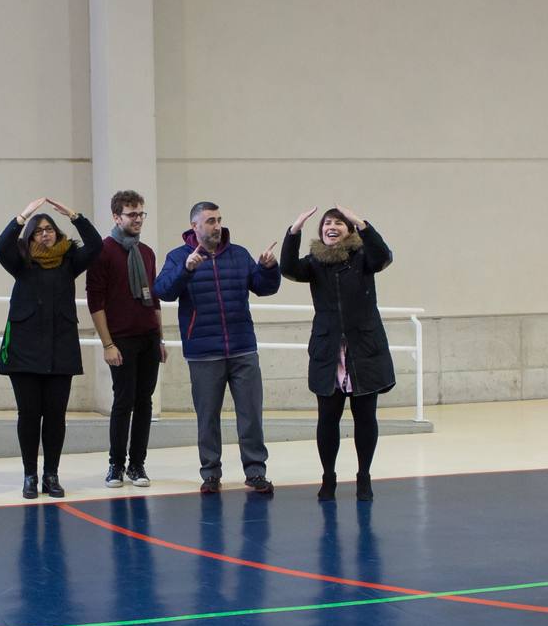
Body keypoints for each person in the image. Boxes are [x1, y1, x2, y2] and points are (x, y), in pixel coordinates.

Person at [153, 202, 281, 495]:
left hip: (242, 348)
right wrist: (185, 271)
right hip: (203, 351)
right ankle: (210, 473)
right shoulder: (178, 257)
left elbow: (263, 287)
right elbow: (163, 291)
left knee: (251, 414)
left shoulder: (238, 255)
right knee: (207, 416)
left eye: (219, 219)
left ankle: (255, 471)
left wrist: (269, 268)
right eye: (210, 220)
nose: (217, 225)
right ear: (195, 226)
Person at [279, 205, 394, 501]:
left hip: (364, 350)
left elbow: (383, 256)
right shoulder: (314, 262)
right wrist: (294, 231)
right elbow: (288, 268)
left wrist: (361, 222)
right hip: (329, 352)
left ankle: (363, 476)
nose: (332, 227)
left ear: (350, 230)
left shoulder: (363, 258)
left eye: (339, 223)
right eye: (327, 223)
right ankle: (328, 476)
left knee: (365, 417)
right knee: (327, 419)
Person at [0, 197, 102, 499]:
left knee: (55, 415)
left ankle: (51, 474)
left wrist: (75, 215)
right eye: (39, 230)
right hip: (24, 350)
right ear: (30, 236)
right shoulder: (20, 261)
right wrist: (22, 216)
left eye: (49, 229)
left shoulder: (69, 260)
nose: (45, 234)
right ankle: (30, 474)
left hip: (61, 347)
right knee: (29, 414)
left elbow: (95, 246)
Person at [87, 190, 166, 488]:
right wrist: (108, 344)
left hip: (147, 337)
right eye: (131, 214)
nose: (137, 220)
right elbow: (96, 302)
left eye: (141, 214)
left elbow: (154, 299)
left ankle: (137, 464)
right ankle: (116, 464)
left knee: (144, 401)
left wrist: (160, 339)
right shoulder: (103, 251)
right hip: (121, 339)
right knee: (123, 401)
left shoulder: (146, 253)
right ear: (116, 217)